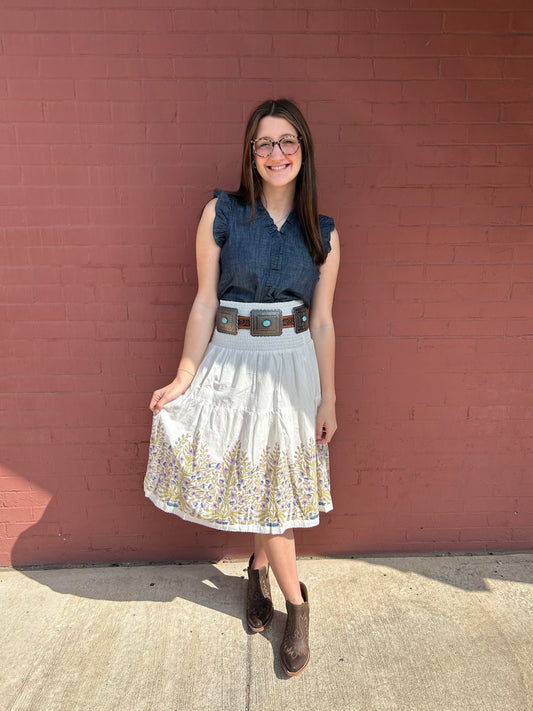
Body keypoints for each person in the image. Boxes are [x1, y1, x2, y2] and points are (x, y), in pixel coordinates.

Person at [144, 98, 340, 677]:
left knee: (272, 483)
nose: (276, 154)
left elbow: (323, 321)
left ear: (303, 150)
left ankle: (265, 577)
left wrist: (330, 394)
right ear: (250, 154)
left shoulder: (323, 232)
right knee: (264, 484)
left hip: (292, 363)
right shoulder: (222, 212)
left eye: (287, 142)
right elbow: (205, 300)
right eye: (264, 143)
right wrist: (185, 373)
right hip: (233, 360)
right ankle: (295, 601)